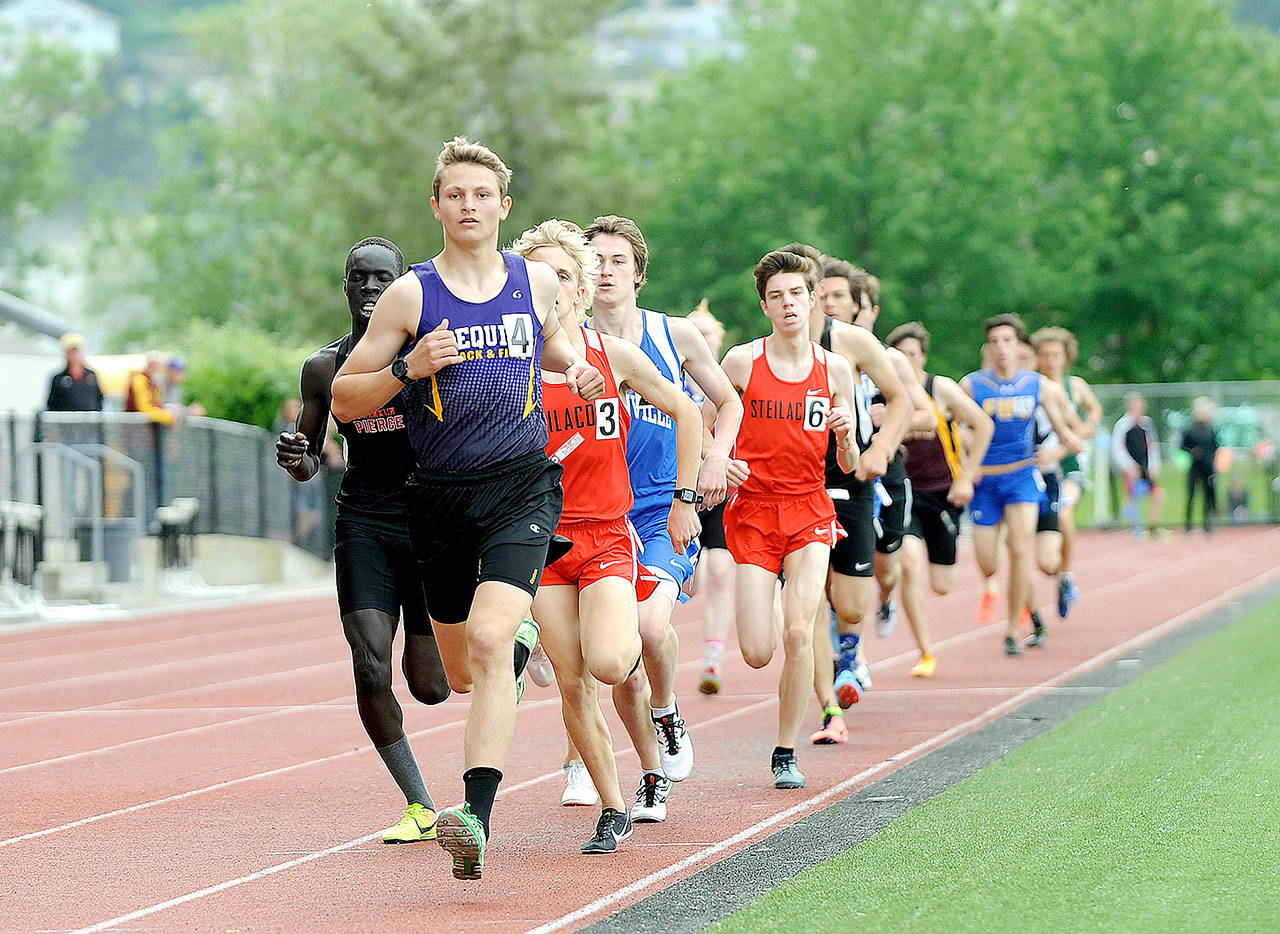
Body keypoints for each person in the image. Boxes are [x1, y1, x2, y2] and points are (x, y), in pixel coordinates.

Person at [331, 137, 604, 881]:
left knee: (485, 642)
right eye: (456, 195)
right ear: (437, 207)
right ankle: (515, 649)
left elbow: (547, 344)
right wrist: (407, 367)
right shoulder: (412, 296)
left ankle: (474, 818)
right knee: (459, 671)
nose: (470, 206)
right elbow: (345, 397)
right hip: (439, 498)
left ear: (503, 206)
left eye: (483, 195)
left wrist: (575, 368)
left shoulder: (536, 282)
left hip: (521, 484)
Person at [514, 218, 702, 852]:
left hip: (607, 534)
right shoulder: (506, 364)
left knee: (611, 660)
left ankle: (546, 648)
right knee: (573, 681)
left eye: (564, 276)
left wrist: (684, 495)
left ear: (584, 289)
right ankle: (614, 806)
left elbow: (685, 411)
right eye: (540, 278)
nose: (554, 290)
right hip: (542, 540)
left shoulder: (610, 356)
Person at [276, 236, 451, 846]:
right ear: (346, 285)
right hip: (365, 522)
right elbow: (309, 461)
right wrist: (296, 459)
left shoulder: (433, 353)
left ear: (402, 283)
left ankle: (512, 643)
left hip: (428, 521)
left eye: (384, 278)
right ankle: (421, 805)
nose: (372, 288)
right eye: (360, 278)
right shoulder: (324, 368)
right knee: (370, 662)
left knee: (430, 686)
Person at [584, 214, 744, 792]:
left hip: (660, 509)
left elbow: (729, 404)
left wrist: (712, 460)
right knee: (613, 657)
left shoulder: (673, 335)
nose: (604, 271)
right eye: (595, 260)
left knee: (651, 625)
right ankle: (644, 767)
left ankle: (667, 709)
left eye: (617, 261)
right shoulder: (566, 343)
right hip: (596, 515)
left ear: (638, 273)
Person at [720, 248, 858, 788]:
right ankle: (774, 607)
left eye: (796, 294)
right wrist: (720, 457)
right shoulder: (741, 362)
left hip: (809, 507)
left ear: (813, 298)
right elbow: (714, 426)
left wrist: (847, 436)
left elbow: (849, 463)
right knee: (757, 651)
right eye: (776, 297)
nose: (788, 304)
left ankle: (785, 750)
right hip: (753, 510)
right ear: (765, 306)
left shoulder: (835, 369)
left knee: (800, 632)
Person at [806, 254, 930, 734]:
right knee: (812, 597)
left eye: (839, 295)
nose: (830, 302)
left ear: (862, 305)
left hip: (872, 475)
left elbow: (920, 413)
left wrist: (880, 439)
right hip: (806, 482)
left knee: (879, 572)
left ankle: (873, 611)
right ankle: (833, 687)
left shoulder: (874, 352)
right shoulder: (783, 347)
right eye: (827, 293)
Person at [962, 314, 1082, 655]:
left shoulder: (1037, 385)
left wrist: (1067, 444)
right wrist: (965, 459)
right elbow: (953, 426)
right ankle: (1016, 611)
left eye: (1007, 340)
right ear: (988, 348)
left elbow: (1063, 427)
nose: (1001, 348)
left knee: (1018, 549)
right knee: (989, 564)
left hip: (1022, 478)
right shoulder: (972, 385)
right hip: (986, 481)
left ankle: (1013, 629)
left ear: (1018, 346)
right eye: (995, 341)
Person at [886, 322, 993, 677]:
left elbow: (983, 424)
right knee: (909, 567)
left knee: (943, 586)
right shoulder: (885, 394)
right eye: (899, 356)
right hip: (905, 494)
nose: (907, 362)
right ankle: (926, 651)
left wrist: (966, 475)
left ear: (923, 357)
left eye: (913, 355)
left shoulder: (940, 389)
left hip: (944, 494)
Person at [685, 302, 736, 695]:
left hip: (720, 488)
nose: (703, 338)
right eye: (695, 331)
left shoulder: (729, 380)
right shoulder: (668, 372)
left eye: (709, 333)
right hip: (678, 485)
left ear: (719, 340)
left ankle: (713, 661)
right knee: (691, 582)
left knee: (720, 571)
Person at [1032, 327, 1101, 617]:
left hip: (1069, 465)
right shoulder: (1031, 385)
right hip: (1037, 468)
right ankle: (1054, 571)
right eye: (1045, 355)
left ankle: (1067, 575)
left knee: (1064, 512)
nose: (1050, 361)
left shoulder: (1074, 386)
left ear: (1066, 357)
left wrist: (1088, 427)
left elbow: (1093, 411)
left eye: (1056, 355)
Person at [1112, 392, 1165, 539]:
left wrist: (1154, 466)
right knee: (1132, 498)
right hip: (1131, 469)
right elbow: (1118, 448)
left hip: (1146, 468)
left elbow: (1152, 446)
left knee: (1158, 494)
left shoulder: (1147, 424)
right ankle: (1135, 528)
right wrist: (1129, 466)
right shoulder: (1123, 425)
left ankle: (1153, 527)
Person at [1181, 396, 1220, 533]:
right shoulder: (1190, 429)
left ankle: (1207, 524)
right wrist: (1192, 451)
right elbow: (1182, 445)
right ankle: (1188, 525)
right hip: (1195, 467)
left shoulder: (1211, 430)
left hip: (1208, 467)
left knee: (1207, 496)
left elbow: (1216, 446)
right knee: (1191, 495)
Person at [46, 332, 103, 412]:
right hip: (65, 422)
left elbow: (99, 399)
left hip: (89, 422)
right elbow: (52, 404)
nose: (75, 355)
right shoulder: (58, 379)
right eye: (71, 352)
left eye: (77, 351)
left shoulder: (91, 376)